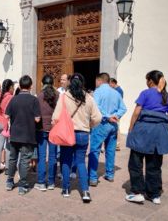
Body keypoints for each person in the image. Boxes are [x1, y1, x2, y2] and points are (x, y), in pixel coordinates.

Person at [125, 70, 168, 205]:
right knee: (154, 165)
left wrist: (131, 128)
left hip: (143, 131)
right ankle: (154, 195)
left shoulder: (145, 93)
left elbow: (136, 112)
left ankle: (137, 193)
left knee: (135, 164)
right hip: (159, 133)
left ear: (150, 81)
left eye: (146, 79)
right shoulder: (166, 96)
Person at [52, 73, 102, 201]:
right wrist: (88, 125)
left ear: (70, 83)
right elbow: (98, 118)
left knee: (66, 161)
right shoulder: (89, 98)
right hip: (83, 133)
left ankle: (66, 189)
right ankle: (85, 192)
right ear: (82, 83)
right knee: (80, 162)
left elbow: (56, 117)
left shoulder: (64, 97)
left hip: (67, 134)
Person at [88, 73, 127, 186]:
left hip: (101, 123)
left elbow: (97, 107)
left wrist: (107, 116)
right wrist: (116, 116)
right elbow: (123, 108)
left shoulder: (98, 92)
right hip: (113, 125)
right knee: (110, 150)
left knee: (95, 150)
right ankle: (110, 174)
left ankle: (93, 177)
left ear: (99, 80)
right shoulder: (116, 93)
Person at [5, 75, 41, 195]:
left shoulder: (13, 99)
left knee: (12, 158)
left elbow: (6, 116)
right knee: (25, 160)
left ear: (20, 86)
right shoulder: (34, 100)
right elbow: (37, 119)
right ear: (31, 86)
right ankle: (22, 185)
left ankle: (9, 182)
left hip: (14, 133)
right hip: (28, 134)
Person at [33, 74, 59, 192]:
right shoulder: (58, 95)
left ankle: (41, 182)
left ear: (42, 84)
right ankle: (52, 182)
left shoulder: (38, 96)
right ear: (53, 83)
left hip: (41, 129)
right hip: (54, 128)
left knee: (42, 156)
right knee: (53, 156)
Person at [0, 79, 14, 176]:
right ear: (10, 87)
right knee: (8, 147)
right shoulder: (10, 97)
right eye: (12, 87)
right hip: (7, 124)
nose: (13, 89)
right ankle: (8, 168)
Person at [110, 77, 124, 151]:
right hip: (116, 112)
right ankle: (116, 144)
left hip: (116, 112)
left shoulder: (118, 91)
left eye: (110, 84)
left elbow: (117, 102)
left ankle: (117, 144)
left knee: (117, 127)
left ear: (113, 83)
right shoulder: (117, 90)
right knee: (116, 127)